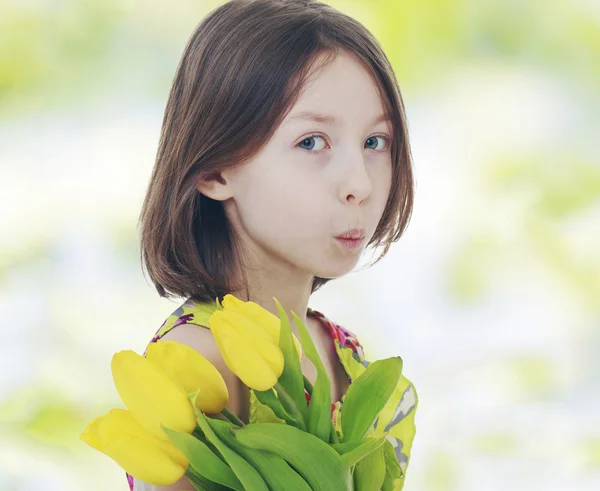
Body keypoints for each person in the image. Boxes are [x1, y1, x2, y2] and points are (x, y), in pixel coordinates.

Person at [129, 0, 418, 489]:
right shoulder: (194, 365)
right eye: (312, 142)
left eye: (375, 142)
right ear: (214, 169)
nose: (360, 184)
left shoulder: (342, 349)